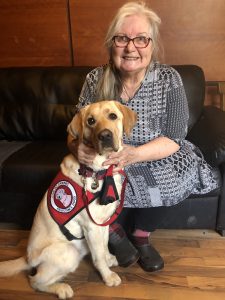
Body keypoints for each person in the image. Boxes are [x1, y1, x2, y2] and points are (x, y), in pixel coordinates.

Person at [68, 1, 219, 272]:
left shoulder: (169, 79)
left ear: (152, 44)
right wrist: (77, 147)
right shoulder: (95, 78)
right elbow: (76, 129)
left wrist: (134, 154)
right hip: (107, 155)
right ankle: (112, 229)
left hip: (155, 152)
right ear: (111, 43)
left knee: (180, 171)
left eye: (141, 39)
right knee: (86, 175)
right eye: (122, 38)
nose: (131, 47)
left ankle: (141, 234)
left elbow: (174, 137)